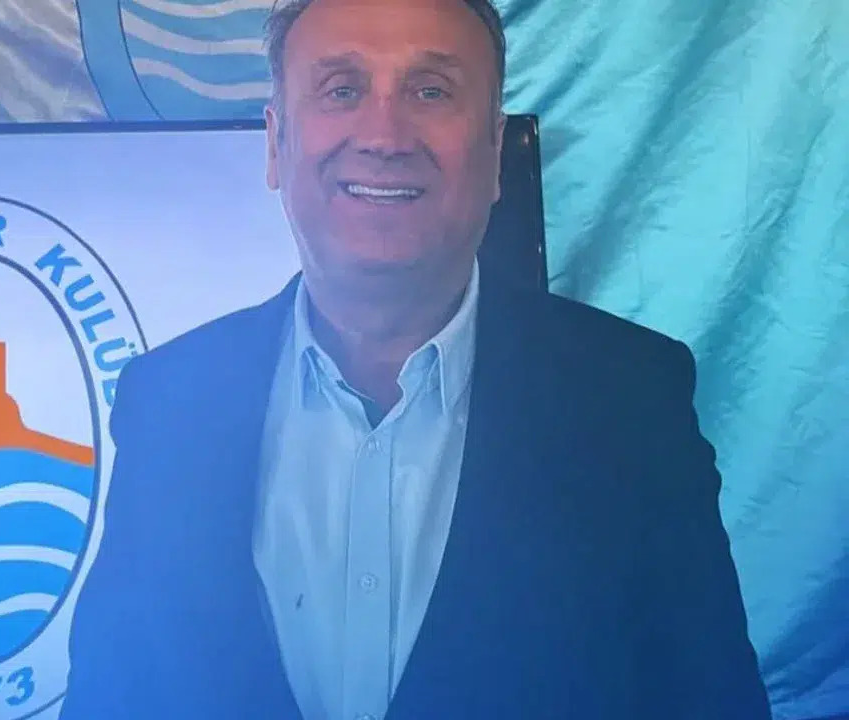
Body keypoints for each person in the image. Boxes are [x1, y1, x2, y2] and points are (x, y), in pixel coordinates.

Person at [60, 0, 772, 717]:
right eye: (342, 89)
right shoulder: (167, 401)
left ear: (494, 150)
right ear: (276, 144)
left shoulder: (631, 397)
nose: (384, 135)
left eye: (431, 91)